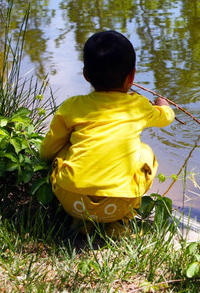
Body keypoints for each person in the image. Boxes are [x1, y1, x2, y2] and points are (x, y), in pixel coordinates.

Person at [40, 30, 175, 233]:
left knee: (65, 147)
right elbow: (167, 118)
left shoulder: (72, 106)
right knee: (145, 151)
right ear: (132, 76)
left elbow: (47, 151)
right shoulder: (137, 105)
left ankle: (82, 221)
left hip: (72, 202)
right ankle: (121, 221)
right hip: (120, 204)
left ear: (86, 75)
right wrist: (162, 104)